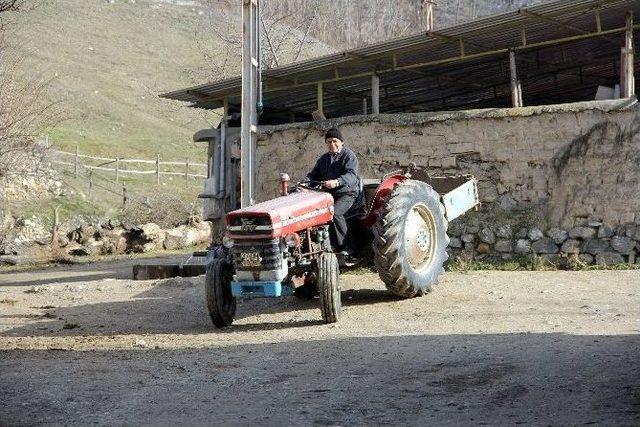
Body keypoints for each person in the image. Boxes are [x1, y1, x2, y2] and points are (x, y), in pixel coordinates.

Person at [305, 126, 361, 255]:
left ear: (341, 142)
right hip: (328, 194)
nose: (332, 144)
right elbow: (313, 175)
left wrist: (337, 182)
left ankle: (346, 249)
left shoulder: (349, 156)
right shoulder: (324, 159)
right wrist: (303, 184)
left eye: (335, 141)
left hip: (347, 193)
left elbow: (351, 176)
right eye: (329, 142)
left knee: (335, 213)